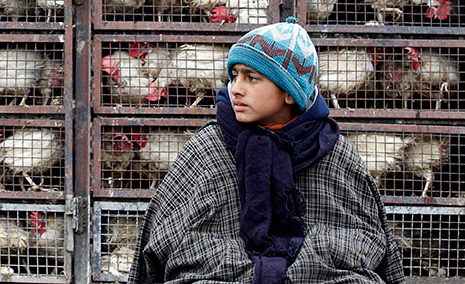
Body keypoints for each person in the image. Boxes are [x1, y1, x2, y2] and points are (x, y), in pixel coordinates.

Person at [128, 18, 405, 284]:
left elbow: (372, 241)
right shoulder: (208, 148)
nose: (236, 89)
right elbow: (159, 238)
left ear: (289, 92)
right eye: (234, 76)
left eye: (253, 78)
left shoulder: (332, 152)